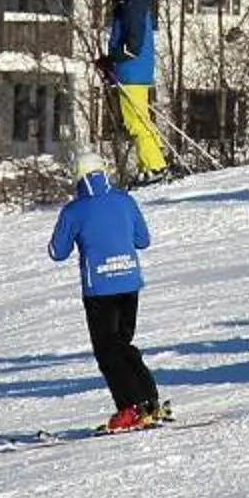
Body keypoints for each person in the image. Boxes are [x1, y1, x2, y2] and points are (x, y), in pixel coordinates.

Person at [47, 149, 165, 431]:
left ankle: (130, 408)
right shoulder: (124, 199)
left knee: (107, 353)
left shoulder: (74, 210)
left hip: (100, 289)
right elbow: (143, 240)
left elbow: (57, 252)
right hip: (130, 283)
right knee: (123, 345)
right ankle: (149, 401)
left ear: (78, 178)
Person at [94, 0, 168, 184]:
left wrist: (112, 59)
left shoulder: (132, 6)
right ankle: (154, 161)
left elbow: (132, 46)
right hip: (132, 70)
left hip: (132, 71)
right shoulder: (132, 3)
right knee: (140, 118)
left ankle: (155, 166)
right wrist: (111, 63)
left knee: (135, 121)